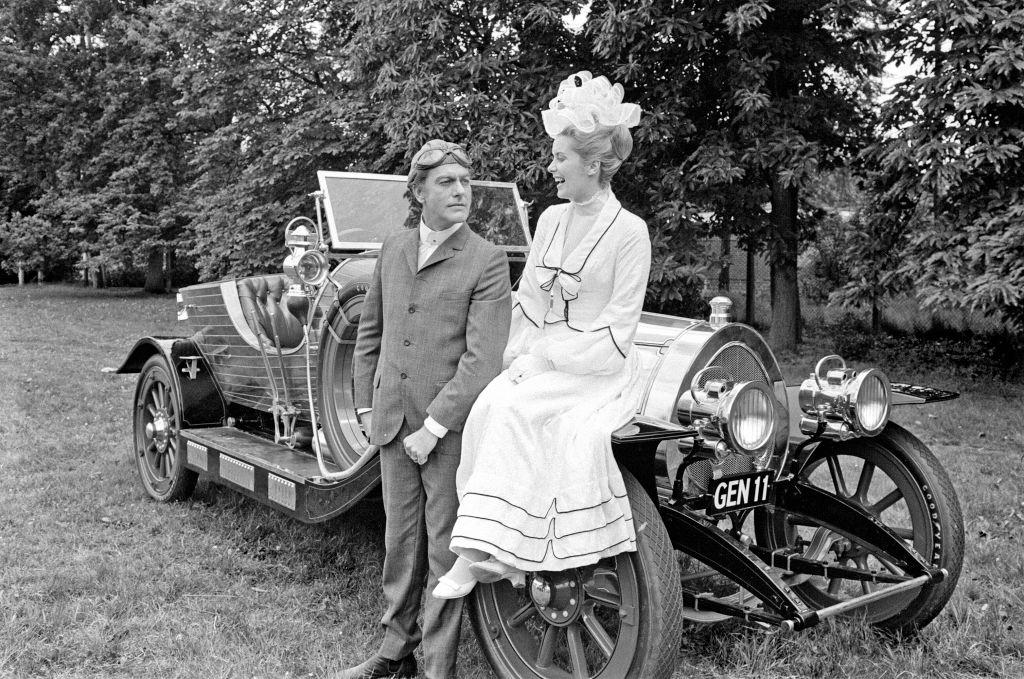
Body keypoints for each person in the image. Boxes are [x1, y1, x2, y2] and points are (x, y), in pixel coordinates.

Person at [433, 72, 650, 596]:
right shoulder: (551, 219)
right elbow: (529, 298)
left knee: (515, 411)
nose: (551, 167)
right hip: (537, 357)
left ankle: (496, 550)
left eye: (560, 158)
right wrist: (507, 349)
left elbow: (619, 330)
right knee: (487, 405)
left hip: (597, 370)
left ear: (593, 164)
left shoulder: (630, 232)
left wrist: (550, 357)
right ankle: (485, 549)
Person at [338, 139, 512, 679]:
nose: (460, 192)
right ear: (418, 193)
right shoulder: (393, 247)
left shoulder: (486, 259)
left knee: (443, 548)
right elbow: (371, 332)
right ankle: (394, 652)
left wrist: (434, 428)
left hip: (448, 431)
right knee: (398, 540)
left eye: (464, 183)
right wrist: (369, 406)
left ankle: (436, 668)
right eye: (446, 183)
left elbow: (482, 361)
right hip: (392, 423)